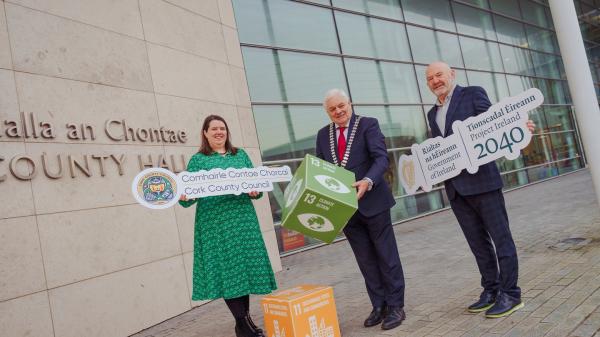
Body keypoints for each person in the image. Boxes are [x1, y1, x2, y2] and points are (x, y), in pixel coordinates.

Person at [425, 61, 535, 318]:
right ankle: (491, 290)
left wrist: (518, 127)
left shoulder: (473, 93)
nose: (435, 81)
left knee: (501, 240)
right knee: (478, 245)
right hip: (456, 190)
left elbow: (494, 124)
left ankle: (511, 294)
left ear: (451, 74)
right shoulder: (432, 114)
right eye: (430, 78)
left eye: (439, 74)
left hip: (483, 183)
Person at [315, 89, 406, 330]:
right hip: (345, 210)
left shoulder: (368, 124)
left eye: (341, 105)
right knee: (365, 260)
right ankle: (379, 305)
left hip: (373, 202)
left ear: (350, 104)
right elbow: (321, 171)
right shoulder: (323, 135)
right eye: (333, 109)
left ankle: (396, 306)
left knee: (387, 257)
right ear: (328, 112)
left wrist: (368, 180)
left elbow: (381, 158)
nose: (338, 111)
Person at [179, 115, 276, 337]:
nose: (219, 132)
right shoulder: (198, 160)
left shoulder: (240, 155)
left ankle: (244, 324)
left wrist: (255, 190)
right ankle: (243, 323)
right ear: (205, 133)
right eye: (213, 129)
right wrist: (183, 195)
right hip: (215, 223)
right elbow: (187, 200)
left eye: (222, 128)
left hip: (242, 221)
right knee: (228, 271)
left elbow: (257, 189)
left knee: (242, 270)